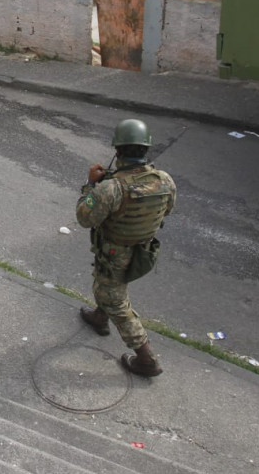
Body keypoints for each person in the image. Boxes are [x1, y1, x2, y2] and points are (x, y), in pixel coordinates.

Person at [76, 118, 177, 377]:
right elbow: (167, 209)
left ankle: (148, 360)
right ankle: (100, 317)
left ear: (118, 151)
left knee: (117, 302)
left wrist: (90, 185)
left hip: (114, 252)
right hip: (142, 251)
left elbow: (84, 217)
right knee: (108, 285)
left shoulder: (111, 188)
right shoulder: (164, 180)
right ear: (146, 149)